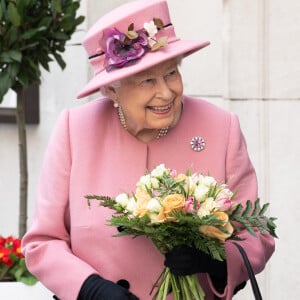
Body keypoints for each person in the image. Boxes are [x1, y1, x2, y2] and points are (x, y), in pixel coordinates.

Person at [22, 0, 275, 299]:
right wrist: (89, 288)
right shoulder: (74, 131)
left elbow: (256, 236)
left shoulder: (221, 127)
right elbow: (43, 242)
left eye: (171, 73)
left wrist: (217, 261)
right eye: (147, 80)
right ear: (111, 90)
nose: (166, 92)